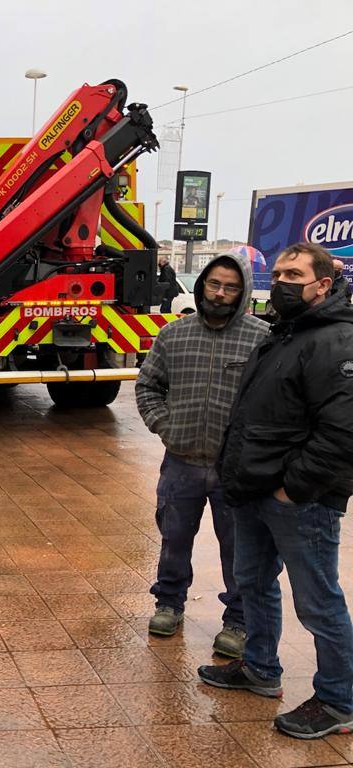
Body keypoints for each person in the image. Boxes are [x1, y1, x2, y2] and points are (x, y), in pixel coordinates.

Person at [198, 242, 353, 739]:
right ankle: (260, 668)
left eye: (294, 274)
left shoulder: (336, 340)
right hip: (253, 491)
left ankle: (340, 700)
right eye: (279, 272)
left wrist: (293, 489)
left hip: (298, 502)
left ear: (322, 285)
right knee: (254, 583)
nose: (281, 281)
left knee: (318, 602)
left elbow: (342, 433)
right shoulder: (286, 333)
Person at [136, 252, 268, 657]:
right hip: (181, 462)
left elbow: (273, 401)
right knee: (174, 539)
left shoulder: (262, 338)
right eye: (215, 284)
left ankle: (238, 622)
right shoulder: (173, 336)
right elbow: (147, 387)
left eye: (230, 287)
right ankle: (169, 603)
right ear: (202, 286)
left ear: (242, 291)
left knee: (238, 548)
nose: (221, 293)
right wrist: (164, 425)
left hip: (236, 469)